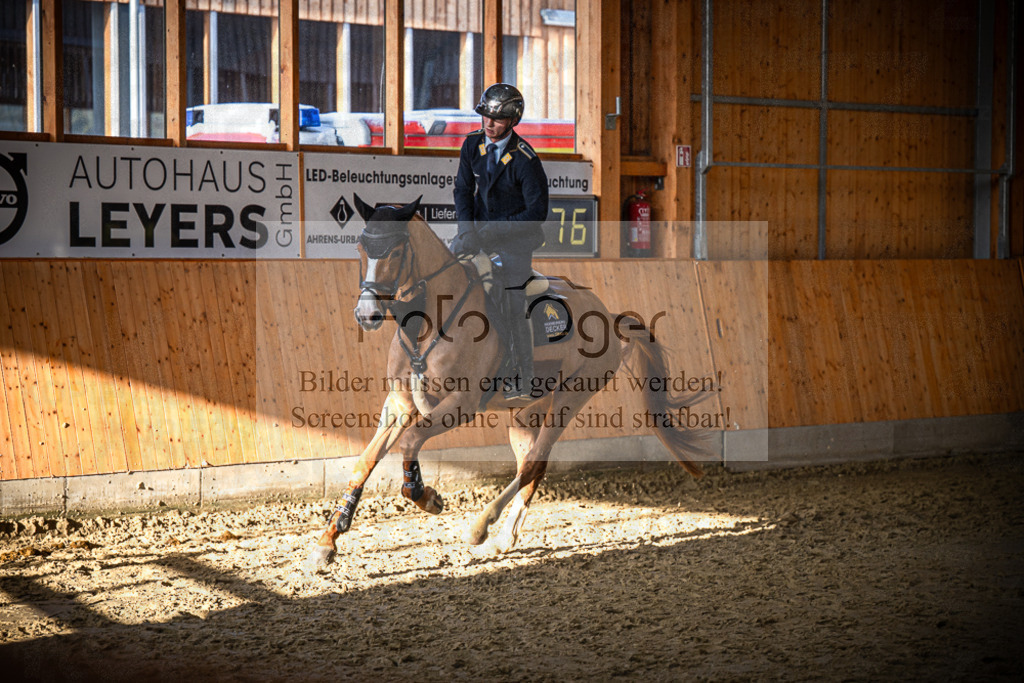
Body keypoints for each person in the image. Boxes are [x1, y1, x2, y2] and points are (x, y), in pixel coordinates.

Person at [452, 83, 549, 402]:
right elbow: (463, 192)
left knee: (511, 299)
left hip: (515, 241)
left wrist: (495, 231)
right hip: (477, 233)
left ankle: (523, 374)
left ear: (512, 121)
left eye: (496, 119)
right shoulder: (471, 146)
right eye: (485, 117)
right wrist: (466, 230)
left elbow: (537, 212)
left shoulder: (525, 160)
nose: (488, 124)